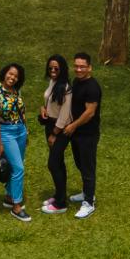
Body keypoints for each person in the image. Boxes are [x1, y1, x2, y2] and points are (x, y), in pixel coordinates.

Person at [45, 51, 102, 218]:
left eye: (82, 66)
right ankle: (86, 193)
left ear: (89, 67)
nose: (78, 69)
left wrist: (72, 125)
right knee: (80, 164)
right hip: (76, 133)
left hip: (87, 134)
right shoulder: (77, 82)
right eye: (76, 66)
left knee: (87, 167)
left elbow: (90, 112)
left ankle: (89, 203)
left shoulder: (92, 87)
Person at [0, 63, 31, 221]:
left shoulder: (16, 91)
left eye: (16, 76)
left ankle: (9, 196)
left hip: (20, 130)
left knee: (17, 165)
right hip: (6, 131)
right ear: (4, 73)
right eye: (10, 74)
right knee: (19, 168)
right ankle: (16, 206)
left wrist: (26, 131)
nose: (12, 77)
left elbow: (21, 112)